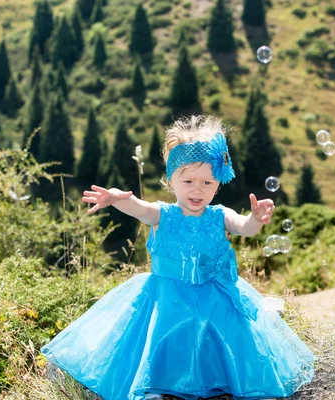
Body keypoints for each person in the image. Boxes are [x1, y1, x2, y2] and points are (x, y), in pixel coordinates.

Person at [41, 115, 315, 400]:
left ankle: (233, 378)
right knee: (163, 334)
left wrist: (256, 218)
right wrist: (116, 199)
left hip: (213, 295)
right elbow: (139, 207)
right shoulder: (163, 214)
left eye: (207, 182)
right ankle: (154, 386)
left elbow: (244, 227)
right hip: (167, 294)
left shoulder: (220, 215)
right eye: (188, 180)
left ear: (218, 184)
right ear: (171, 180)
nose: (198, 189)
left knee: (230, 335)